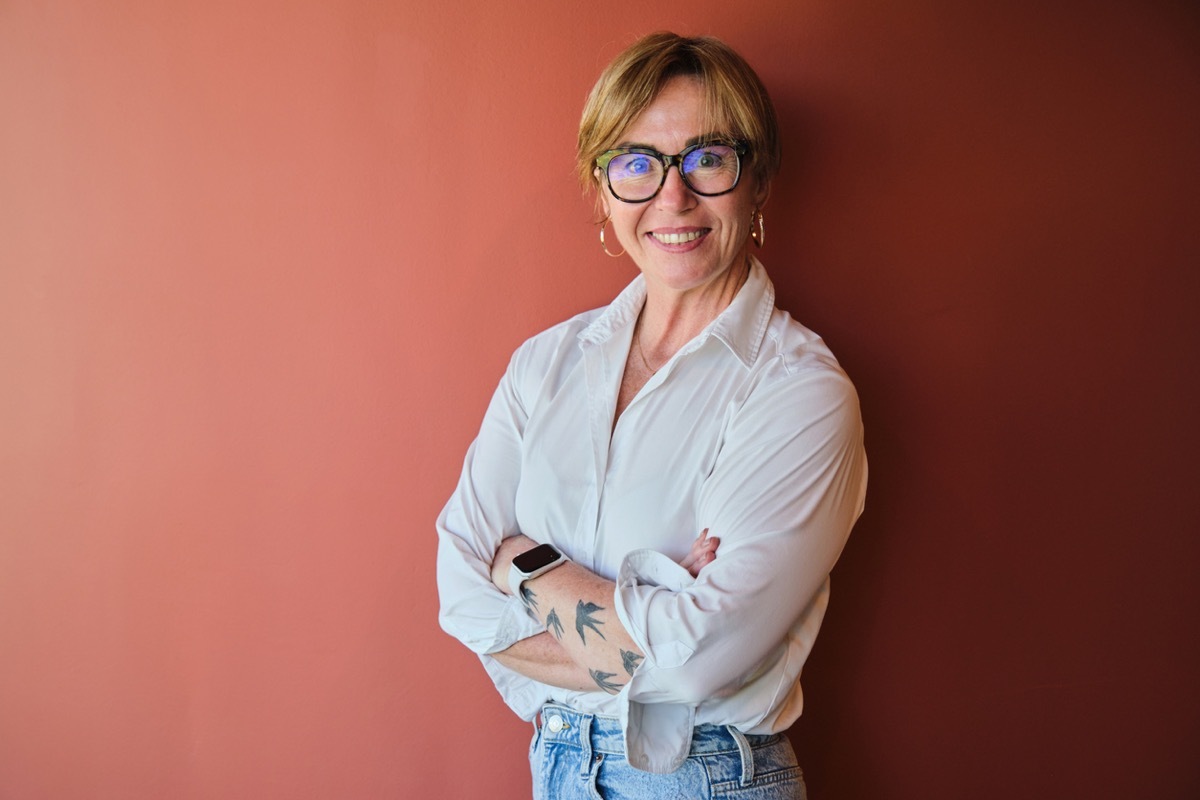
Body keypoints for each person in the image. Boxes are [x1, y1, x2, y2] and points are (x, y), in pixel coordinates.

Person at [437, 32, 867, 799]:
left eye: (707, 158)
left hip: (702, 779)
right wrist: (649, 602)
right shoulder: (546, 364)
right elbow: (459, 597)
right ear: (602, 191)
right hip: (558, 766)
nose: (673, 197)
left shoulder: (800, 393)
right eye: (636, 163)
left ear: (756, 180)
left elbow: (694, 660)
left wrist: (520, 563)